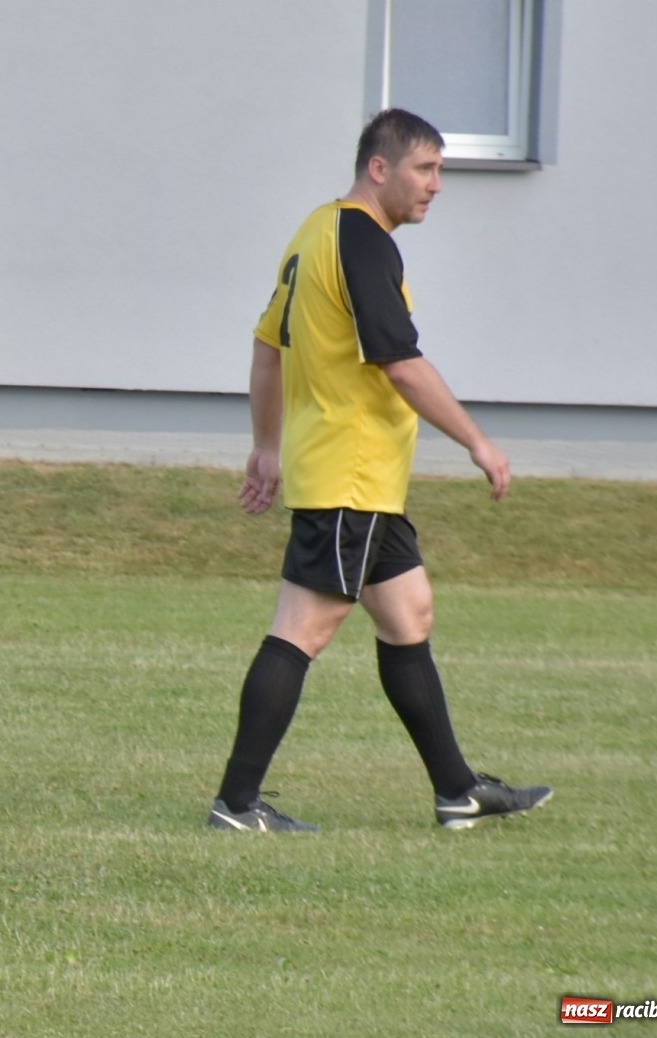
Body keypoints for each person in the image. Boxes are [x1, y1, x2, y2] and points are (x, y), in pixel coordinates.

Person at [206, 109, 551, 833]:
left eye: (440, 170)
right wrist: (477, 442)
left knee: (408, 612)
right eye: (425, 169)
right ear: (379, 167)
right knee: (302, 630)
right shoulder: (362, 241)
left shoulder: (315, 230)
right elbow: (400, 363)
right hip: (350, 474)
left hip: (360, 477)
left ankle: (457, 791)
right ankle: (236, 804)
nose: (436, 185)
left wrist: (266, 446)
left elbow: (268, 346)